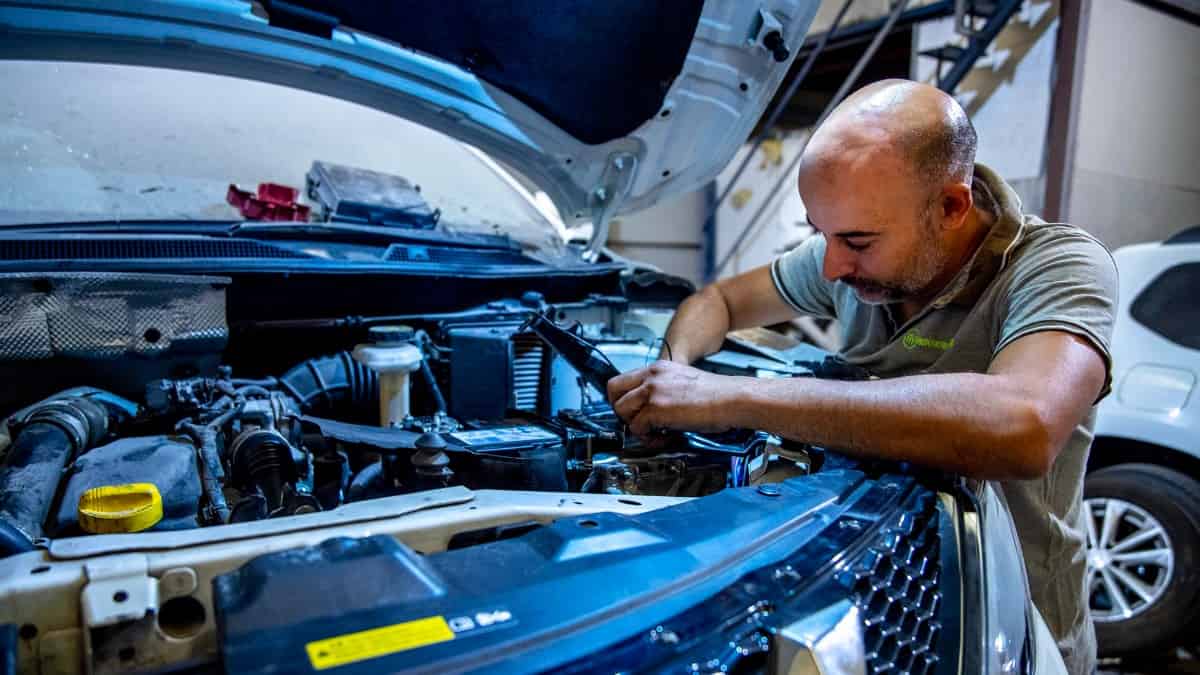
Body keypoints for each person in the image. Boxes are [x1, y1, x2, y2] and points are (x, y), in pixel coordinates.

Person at [607, 79, 1115, 674]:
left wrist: (738, 397)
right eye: (820, 233)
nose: (831, 266)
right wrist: (674, 375)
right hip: (872, 602)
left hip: (1007, 626)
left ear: (951, 207)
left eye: (855, 241)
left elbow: (1023, 426)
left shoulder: (1058, 266)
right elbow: (721, 301)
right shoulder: (849, 255)